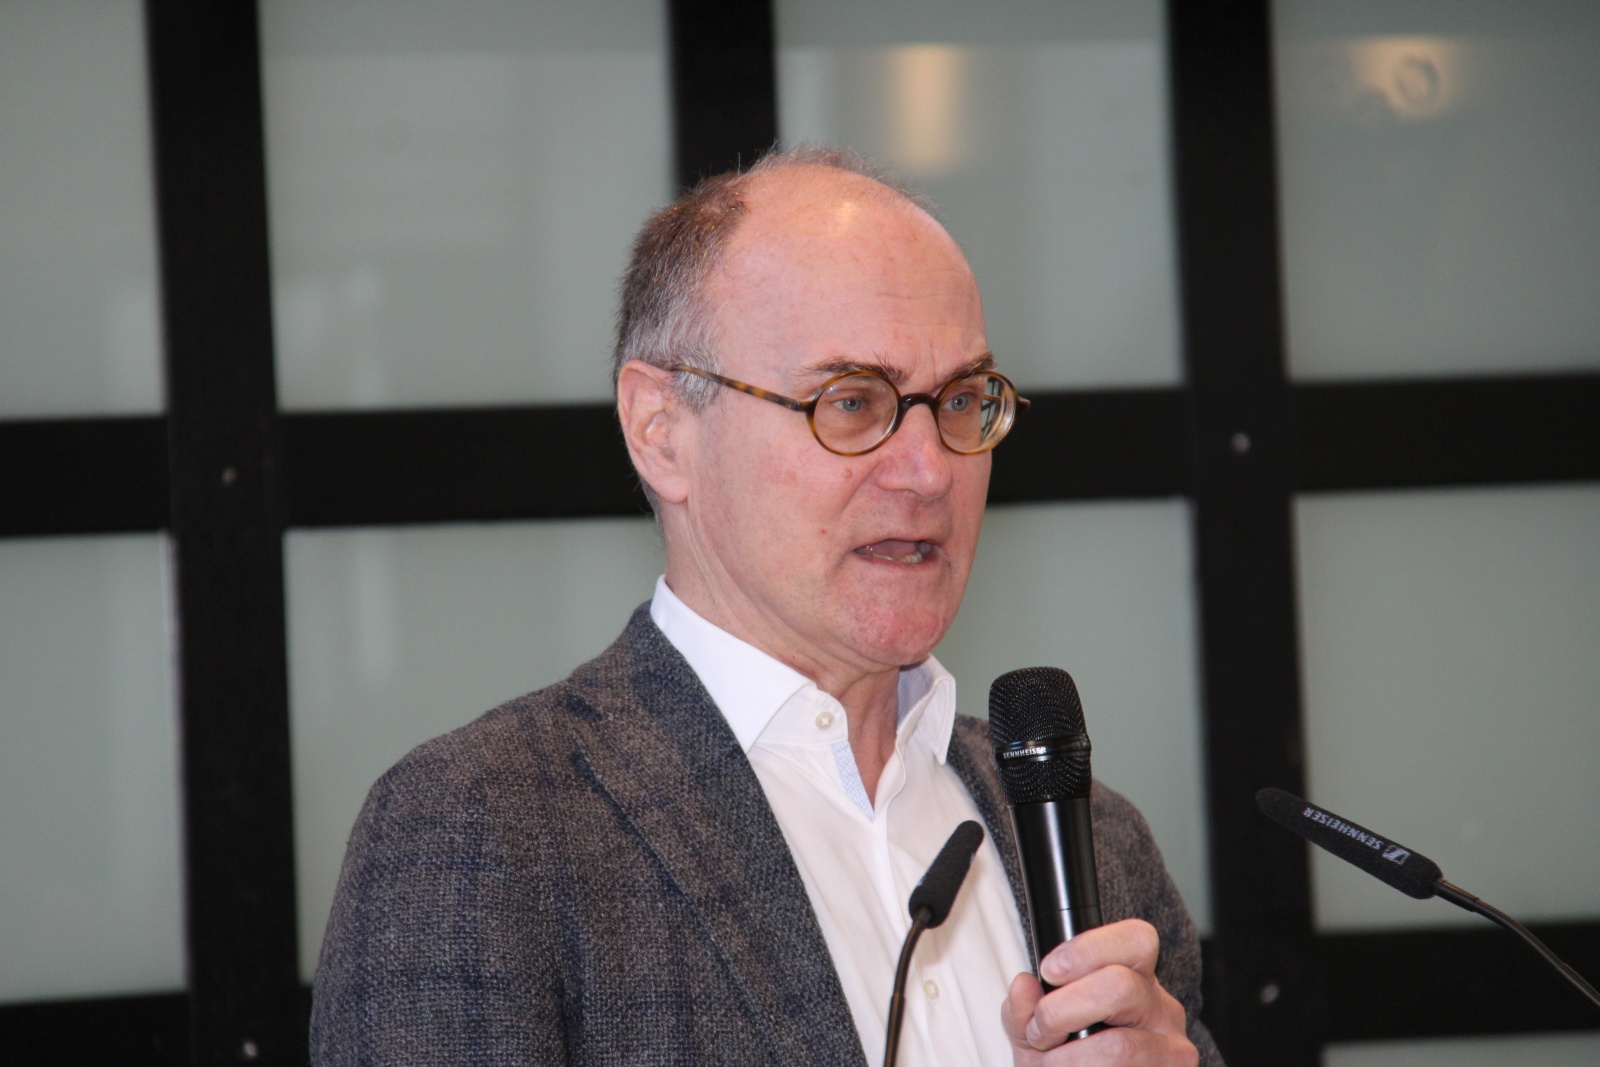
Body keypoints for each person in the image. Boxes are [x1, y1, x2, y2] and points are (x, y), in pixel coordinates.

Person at [312, 147, 1222, 1067]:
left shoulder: (1097, 843)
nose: (928, 471)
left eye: (959, 400)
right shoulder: (484, 831)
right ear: (661, 430)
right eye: (851, 401)